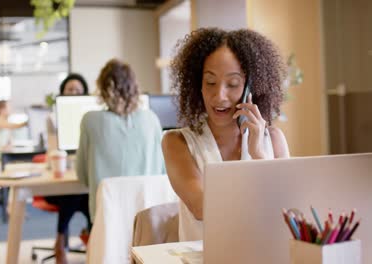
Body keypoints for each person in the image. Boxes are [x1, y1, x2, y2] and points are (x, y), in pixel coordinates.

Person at [161, 28, 290, 242]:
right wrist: (265, 195)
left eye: (232, 84)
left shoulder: (274, 140)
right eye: (210, 82)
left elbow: (287, 209)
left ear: (250, 87)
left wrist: (259, 155)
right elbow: (202, 207)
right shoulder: (177, 142)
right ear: (197, 85)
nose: (219, 96)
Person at [76, 57, 165, 225]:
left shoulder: (90, 121)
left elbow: (83, 177)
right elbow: (162, 172)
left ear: (102, 89)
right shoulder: (152, 119)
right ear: (135, 87)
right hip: (147, 218)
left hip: (107, 221)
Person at [43, 73, 91, 264]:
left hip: (82, 181)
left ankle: (63, 239)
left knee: (86, 191)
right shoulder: (53, 118)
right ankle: (83, 239)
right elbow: (53, 150)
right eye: (70, 89)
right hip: (58, 183)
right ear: (62, 92)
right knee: (75, 192)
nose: (74, 93)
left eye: (78, 90)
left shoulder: (91, 118)